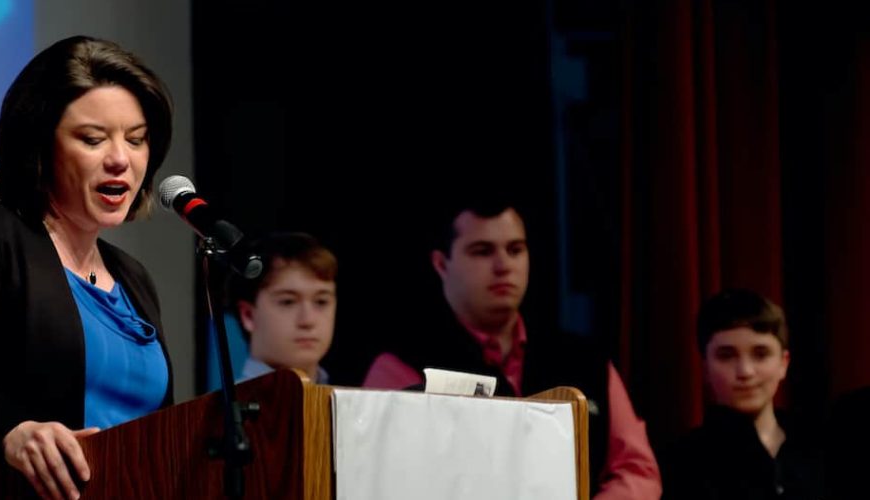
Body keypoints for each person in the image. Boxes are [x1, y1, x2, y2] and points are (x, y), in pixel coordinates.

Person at [0, 36, 176, 500]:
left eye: (136, 139)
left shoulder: (134, 278)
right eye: (93, 138)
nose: (121, 158)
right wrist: (13, 430)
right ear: (41, 149)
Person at [362, 193, 662, 499]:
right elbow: (380, 482)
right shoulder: (402, 366)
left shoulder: (584, 358)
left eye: (515, 249)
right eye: (482, 251)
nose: (503, 265)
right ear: (441, 264)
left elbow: (637, 470)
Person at [660, 289, 824, 500]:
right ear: (705, 368)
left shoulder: (824, 450)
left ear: (783, 364)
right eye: (726, 356)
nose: (745, 371)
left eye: (760, 354)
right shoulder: (677, 462)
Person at [229, 232, 337, 384]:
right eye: (288, 302)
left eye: (321, 302)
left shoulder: (358, 404)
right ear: (248, 315)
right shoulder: (221, 407)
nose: (308, 320)